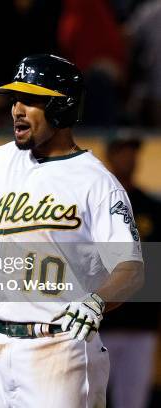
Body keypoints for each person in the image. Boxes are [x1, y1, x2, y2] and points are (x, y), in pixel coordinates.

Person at [0, 49, 144, 407]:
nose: (16, 109)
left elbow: (131, 269)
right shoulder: (2, 159)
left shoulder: (96, 181)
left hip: (58, 349)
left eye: (31, 100)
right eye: (15, 99)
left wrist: (97, 302)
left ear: (62, 107)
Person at [102, 134, 160, 408]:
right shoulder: (96, 201)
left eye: (133, 151)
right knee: (88, 398)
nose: (129, 158)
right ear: (111, 155)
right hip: (100, 321)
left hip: (141, 322)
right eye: (123, 151)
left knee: (133, 401)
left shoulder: (151, 206)